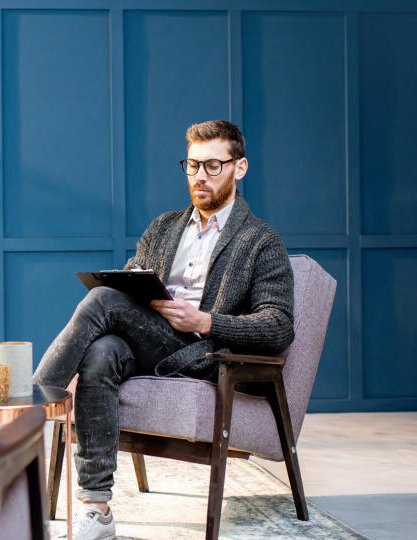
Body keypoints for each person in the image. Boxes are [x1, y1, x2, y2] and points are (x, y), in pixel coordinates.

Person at [33, 120, 295, 540]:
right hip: (150, 343)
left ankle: (31, 406)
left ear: (239, 167)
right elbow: (137, 275)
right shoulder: (164, 226)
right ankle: (97, 510)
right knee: (101, 352)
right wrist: (135, 282)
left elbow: (279, 326)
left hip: (202, 354)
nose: (199, 177)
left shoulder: (261, 241)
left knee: (102, 301)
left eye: (213, 166)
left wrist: (205, 321)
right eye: (192, 166)